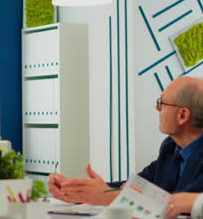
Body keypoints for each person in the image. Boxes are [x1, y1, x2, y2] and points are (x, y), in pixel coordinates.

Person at [49, 76, 203, 205]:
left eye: (162, 103)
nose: (157, 108)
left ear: (182, 115)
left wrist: (106, 196)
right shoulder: (170, 147)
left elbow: (184, 205)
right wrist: (78, 190)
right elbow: (137, 186)